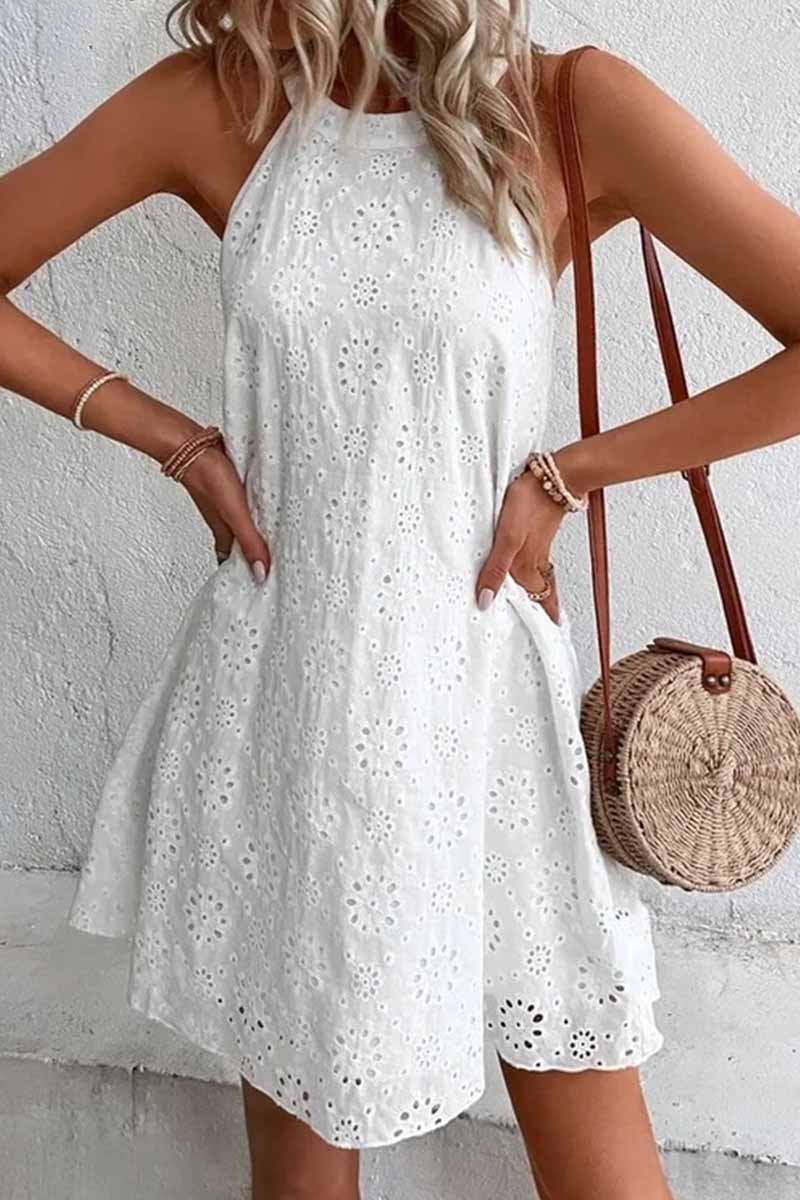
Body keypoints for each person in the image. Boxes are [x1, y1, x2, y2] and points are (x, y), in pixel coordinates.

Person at [2, 4, 799, 1199]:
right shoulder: (214, 101)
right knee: (303, 1168)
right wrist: (174, 441)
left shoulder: (570, 105)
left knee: (597, 1156)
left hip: (485, 705)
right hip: (290, 697)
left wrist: (570, 473)